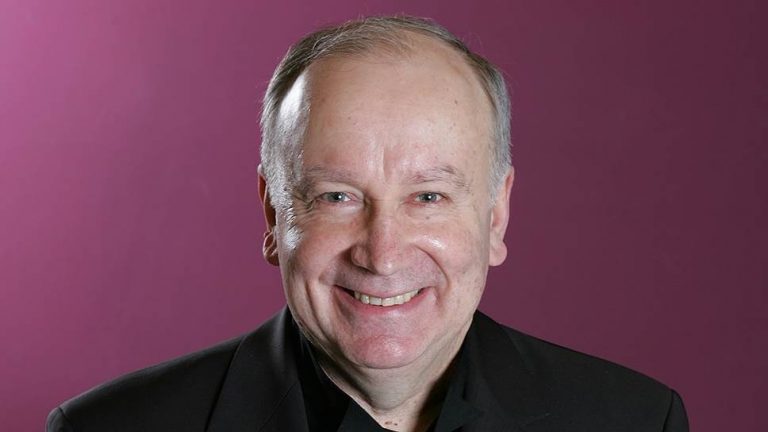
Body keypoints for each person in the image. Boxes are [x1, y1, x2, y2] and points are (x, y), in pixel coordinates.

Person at [47, 16, 689, 432]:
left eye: (429, 197)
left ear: (496, 216)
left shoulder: (635, 421)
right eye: (337, 197)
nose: (382, 254)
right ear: (274, 214)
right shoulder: (108, 428)